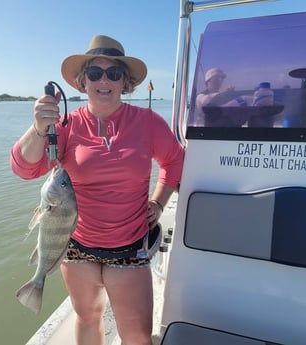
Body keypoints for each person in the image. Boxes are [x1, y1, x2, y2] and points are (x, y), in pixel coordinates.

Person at [10, 35, 184, 345]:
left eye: (113, 73)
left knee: (137, 335)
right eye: (94, 73)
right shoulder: (65, 125)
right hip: (74, 246)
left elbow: (175, 161)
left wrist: (158, 203)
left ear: (125, 82)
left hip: (129, 246)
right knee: (87, 317)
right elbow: (25, 168)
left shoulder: (147, 122)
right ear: (82, 82)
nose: (104, 80)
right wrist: (38, 128)